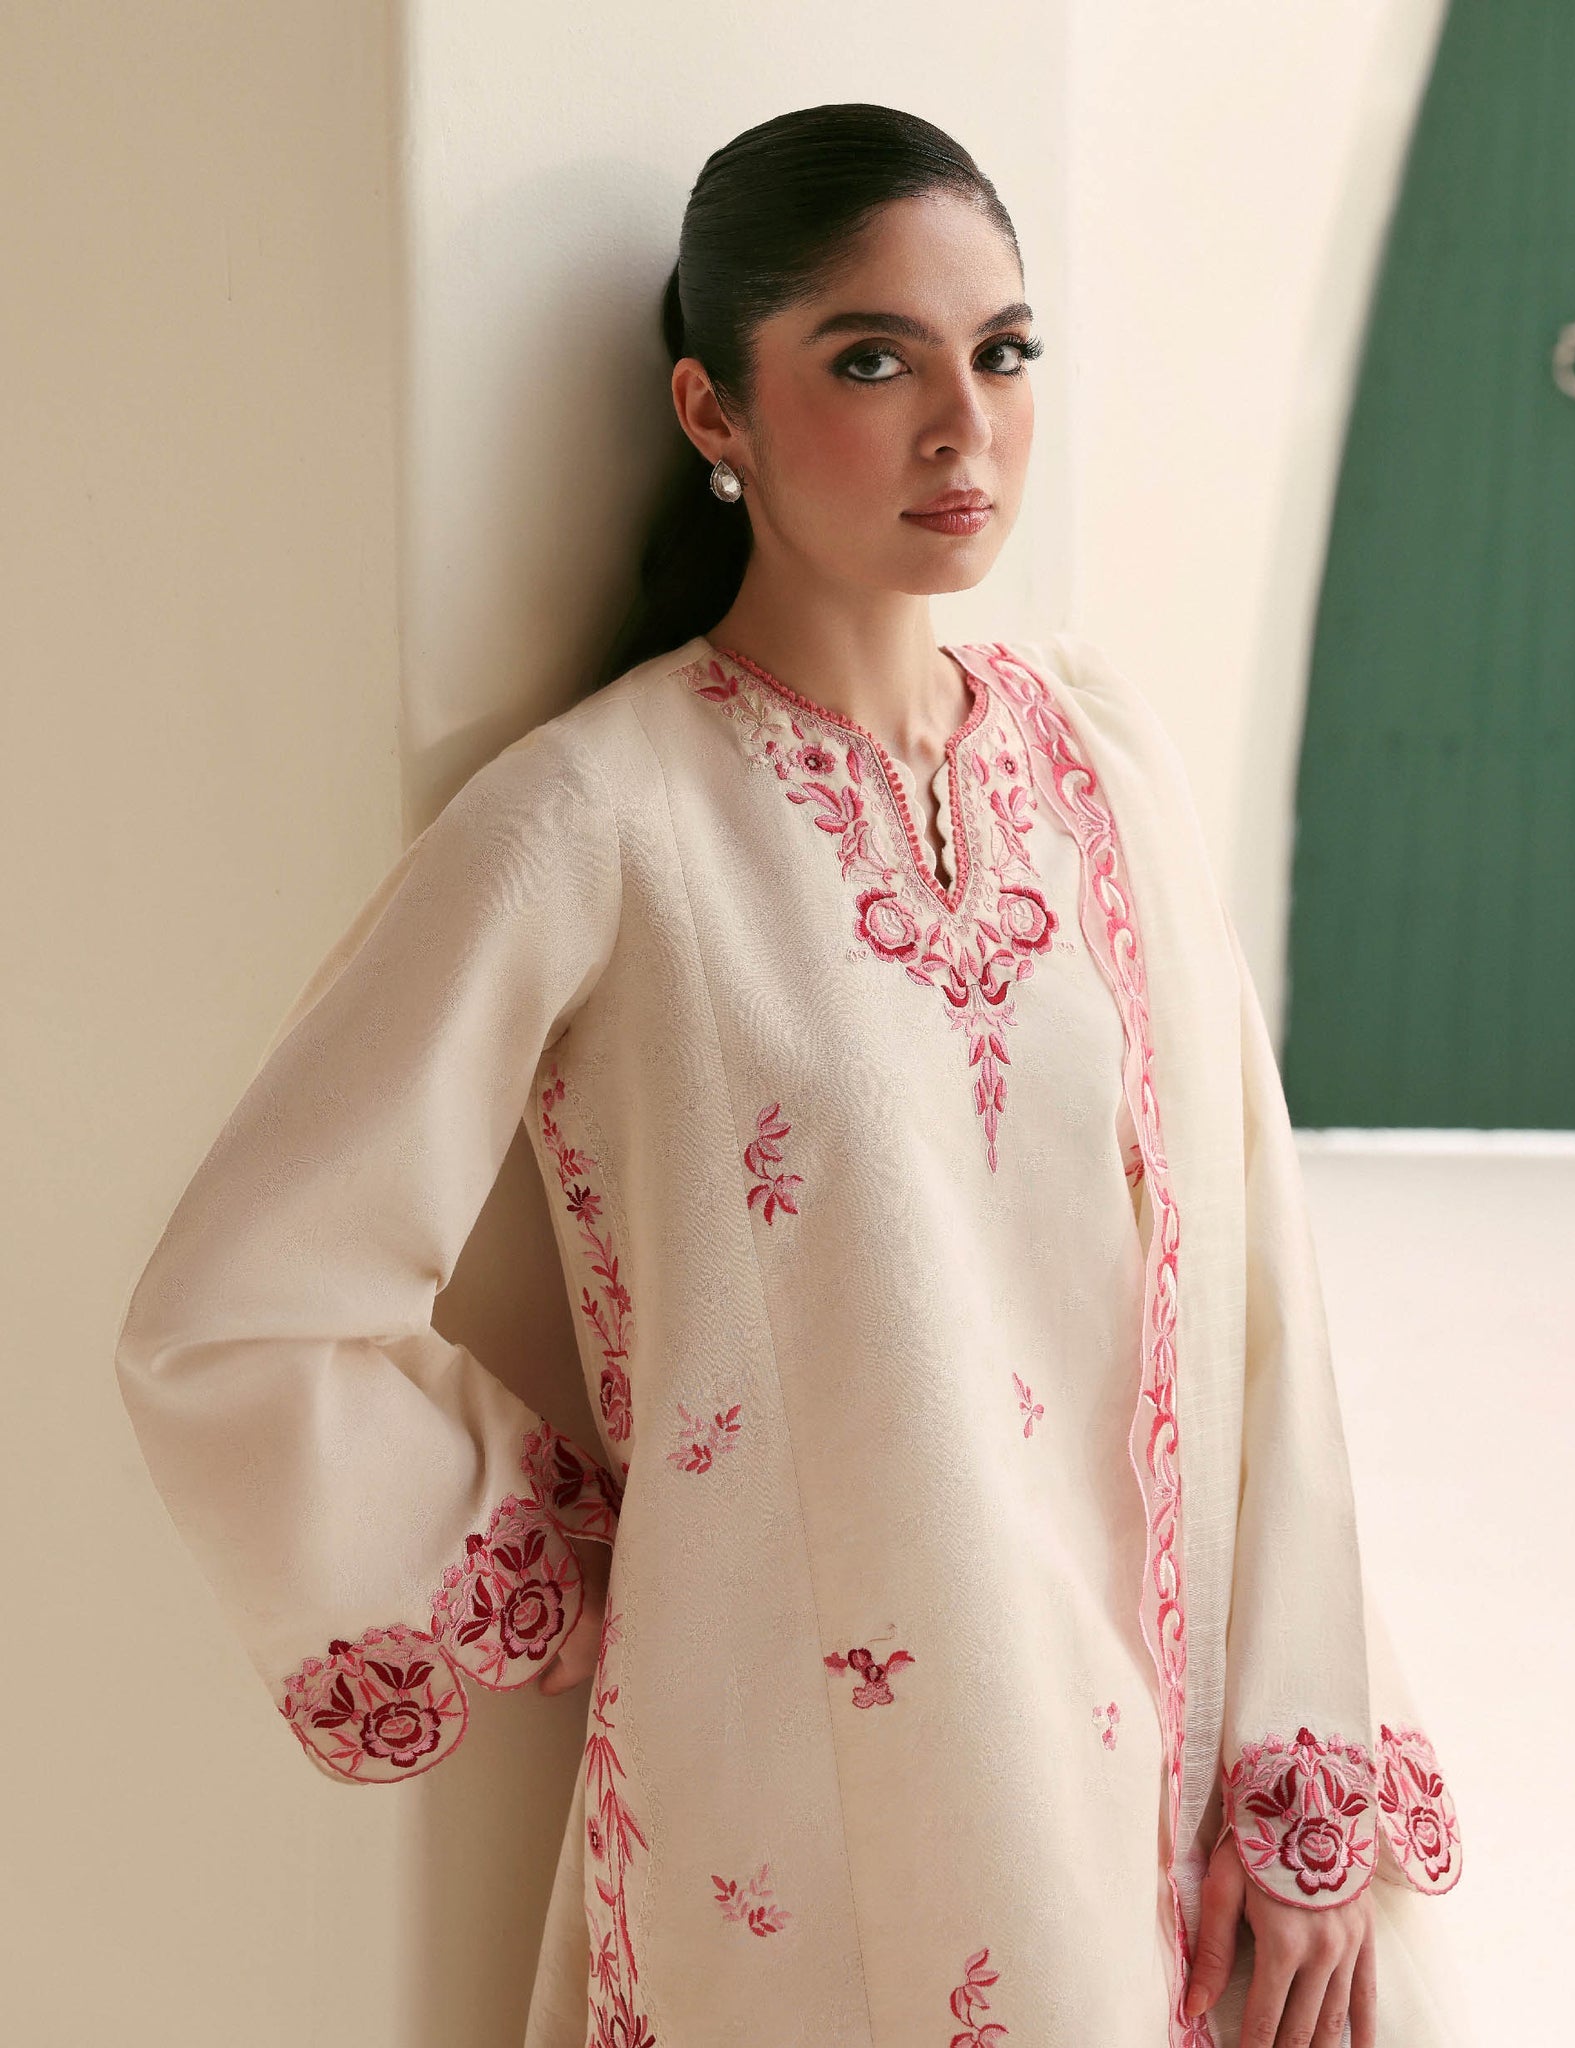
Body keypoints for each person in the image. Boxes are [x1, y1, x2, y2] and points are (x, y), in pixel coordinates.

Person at [113, 103, 1467, 2048]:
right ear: (712, 407)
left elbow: (1262, 1291)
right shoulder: (599, 818)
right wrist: (545, 1549)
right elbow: (239, 1309)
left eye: (1003, 351)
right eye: (873, 360)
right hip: (822, 1814)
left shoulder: (1100, 756)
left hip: (1173, 1808)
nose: (964, 427)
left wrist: (1301, 1755)